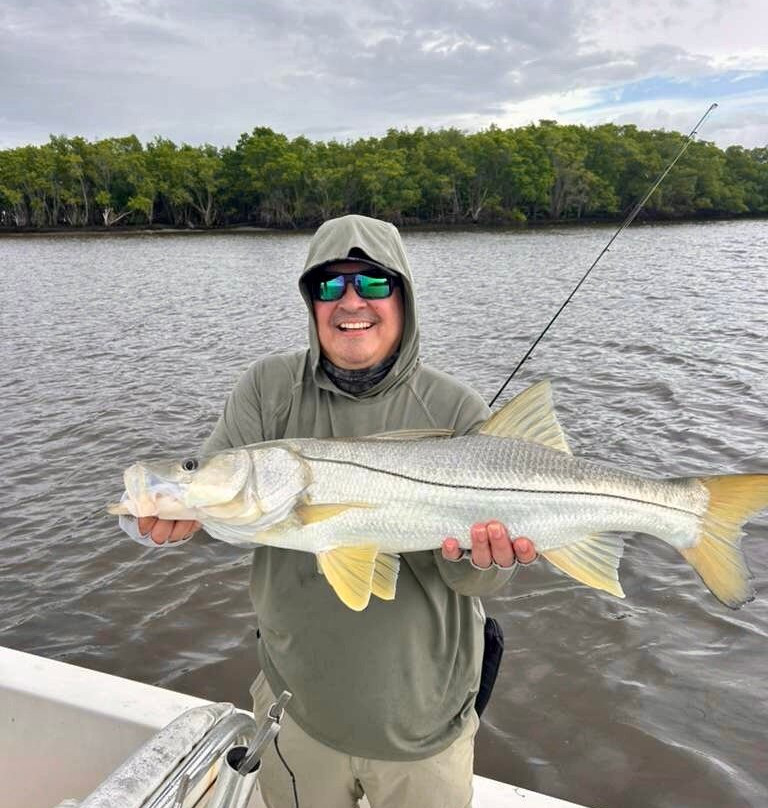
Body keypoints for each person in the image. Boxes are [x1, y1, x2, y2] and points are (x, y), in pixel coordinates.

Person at [133, 214, 537, 808]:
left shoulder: (455, 407)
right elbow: (221, 511)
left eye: (373, 283)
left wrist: (488, 559)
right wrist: (162, 520)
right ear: (310, 300)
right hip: (297, 707)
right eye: (329, 285)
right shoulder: (268, 390)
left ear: (403, 296)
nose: (352, 301)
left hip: (422, 723)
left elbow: (479, 581)